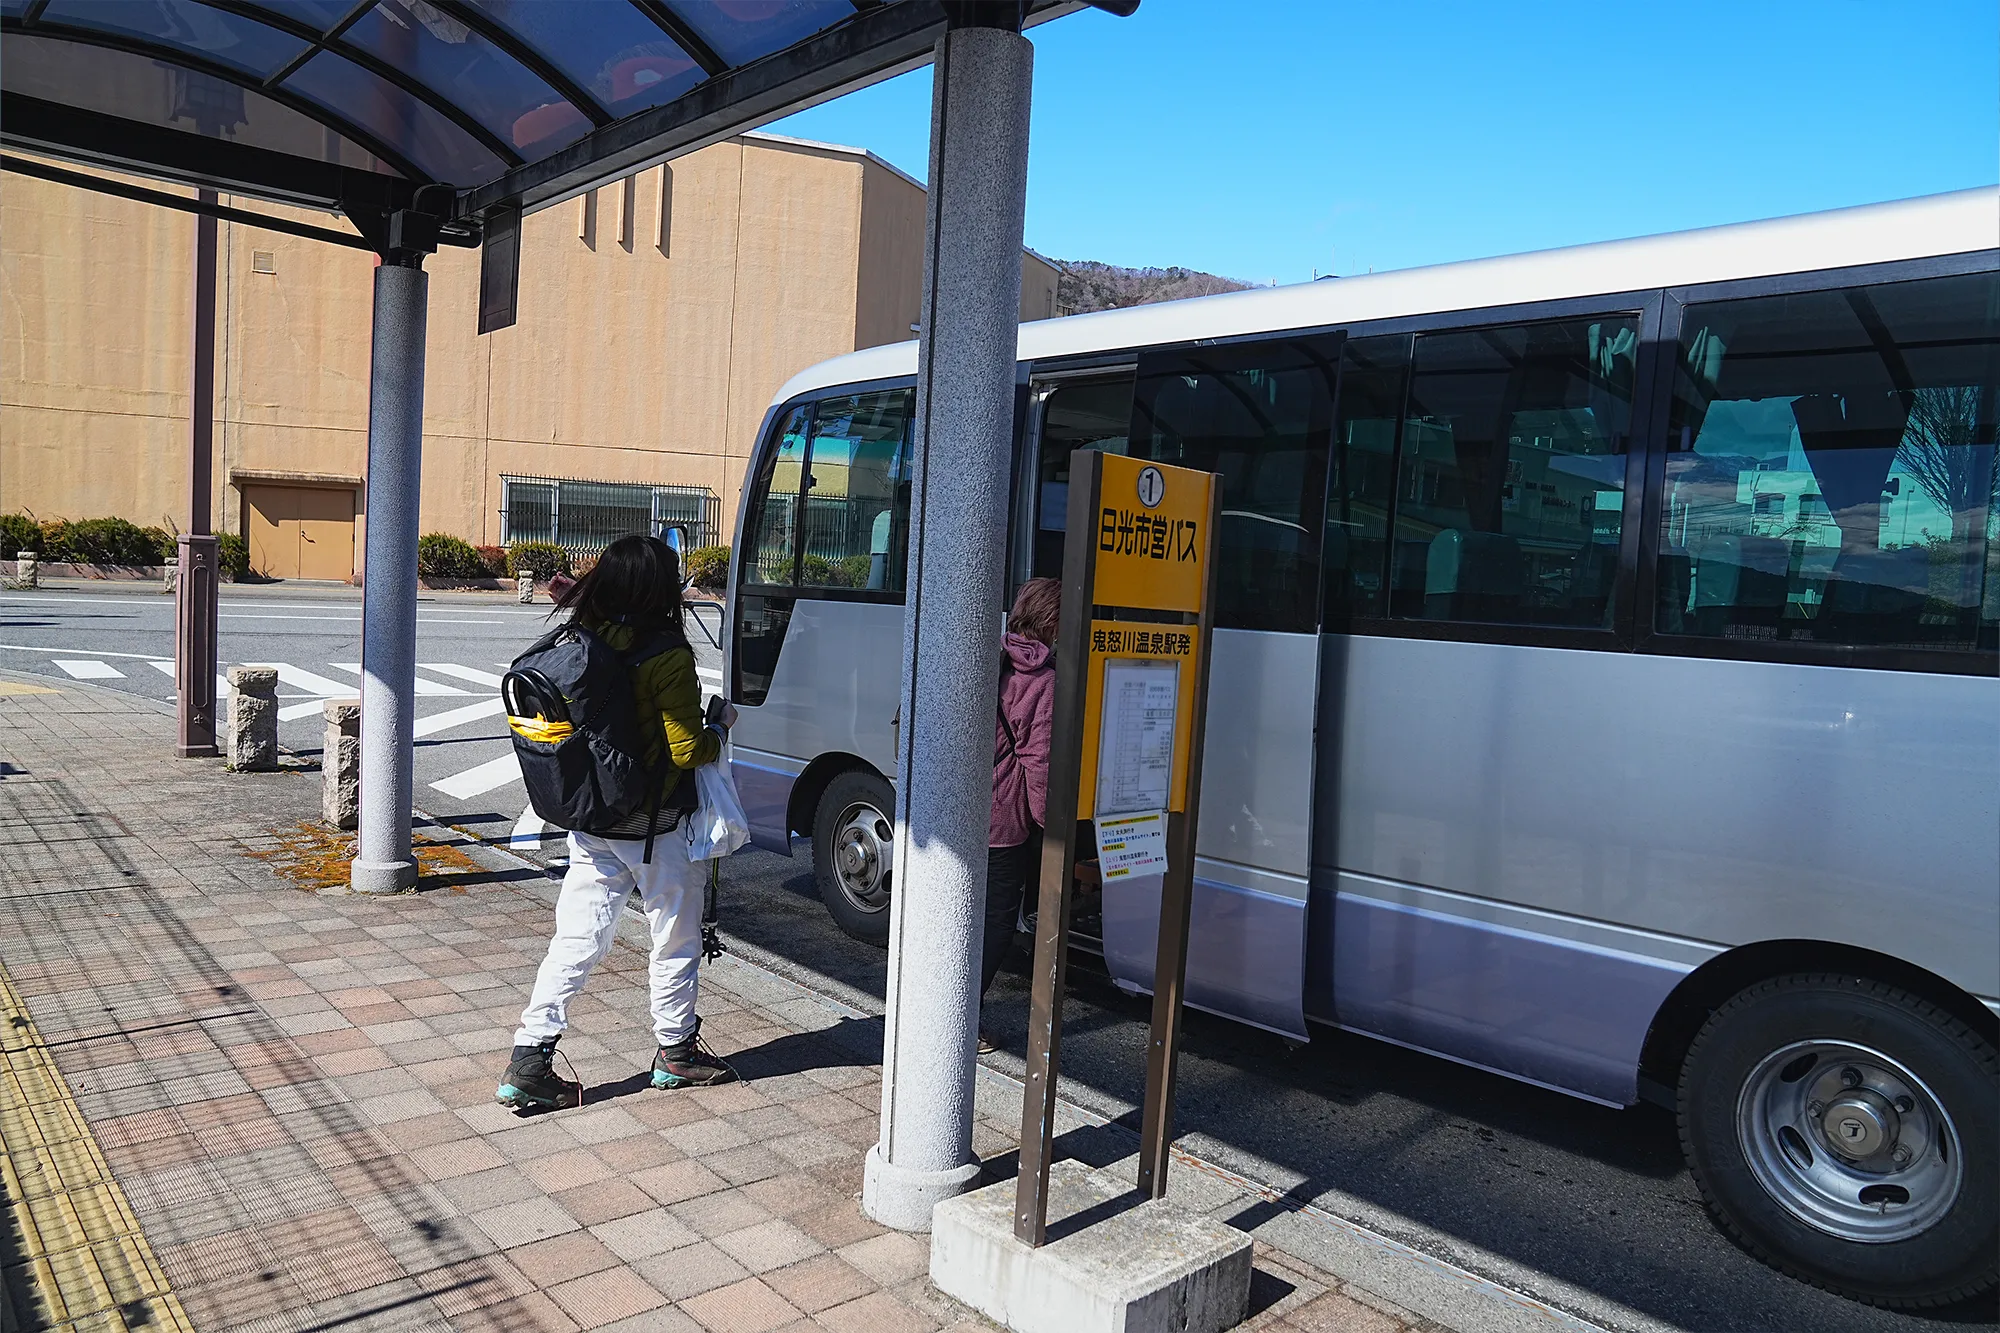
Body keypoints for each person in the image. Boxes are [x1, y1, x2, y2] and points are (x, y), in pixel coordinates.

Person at [496, 534, 737, 1112]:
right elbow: (687, 750)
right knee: (675, 938)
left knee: (576, 939)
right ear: (660, 589)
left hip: (593, 818)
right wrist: (720, 727)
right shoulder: (667, 654)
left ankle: (529, 1058)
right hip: (656, 827)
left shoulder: (585, 634)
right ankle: (676, 1053)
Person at [979, 577, 1060, 1054]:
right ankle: (961, 1017)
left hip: (966, 813)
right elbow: (1039, 763)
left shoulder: (994, 656)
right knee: (996, 922)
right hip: (1003, 821)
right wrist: (1053, 828)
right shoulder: (1042, 681)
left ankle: (949, 1006)